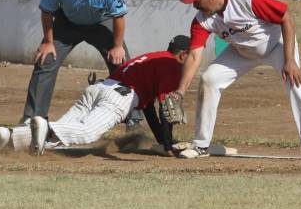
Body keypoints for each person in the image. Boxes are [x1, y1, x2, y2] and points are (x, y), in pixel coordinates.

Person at [171, 0, 301, 161]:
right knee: (209, 79)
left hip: (276, 44)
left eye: (196, 0)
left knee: (295, 83)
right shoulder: (202, 20)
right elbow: (195, 55)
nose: (194, 5)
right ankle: (201, 144)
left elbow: (286, 18)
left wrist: (290, 61)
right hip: (242, 51)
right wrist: (180, 91)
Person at [0, 0, 133, 150]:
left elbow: (119, 17)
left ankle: (134, 121)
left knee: (124, 65)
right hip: (67, 24)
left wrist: (117, 46)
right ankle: (32, 119)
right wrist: (48, 42)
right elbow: (47, 12)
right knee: (45, 60)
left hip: (100, 22)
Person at [26, 35, 191, 156]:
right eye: (191, 57)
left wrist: (163, 142)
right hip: (118, 97)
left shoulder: (153, 57)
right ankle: (46, 127)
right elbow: (166, 108)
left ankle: (11, 135)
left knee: (59, 137)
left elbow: (148, 108)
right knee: (88, 132)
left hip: (99, 88)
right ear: (183, 55)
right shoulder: (172, 65)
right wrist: (169, 146)